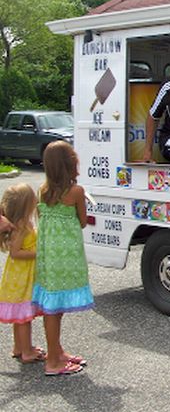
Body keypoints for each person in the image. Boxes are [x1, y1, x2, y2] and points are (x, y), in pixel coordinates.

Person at [33, 141, 94, 376]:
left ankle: (56, 352)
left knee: (52, 307)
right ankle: (54, 363)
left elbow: (42, 217)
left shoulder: (42, 190)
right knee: (54, 310)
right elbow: (81, 221)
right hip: (67, 258)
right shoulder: (76, 192)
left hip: (49, 258)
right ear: (71, 164)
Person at [0, 183, 46, 364]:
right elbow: (15, 253)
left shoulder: (23, 223)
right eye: (32, 198)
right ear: (24, 204)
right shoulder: (20, 226)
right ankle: (27, 351)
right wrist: (38, 253)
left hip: (21, 275)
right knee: (23, 317)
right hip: (21, 276)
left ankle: (19, 347)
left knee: (19, 315)